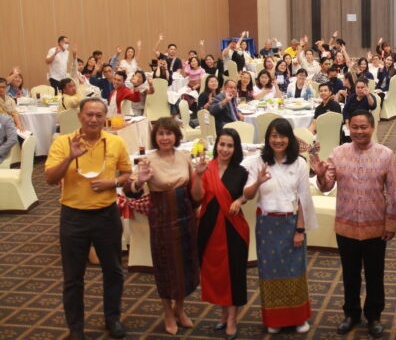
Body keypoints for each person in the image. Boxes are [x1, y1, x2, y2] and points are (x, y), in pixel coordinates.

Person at [44, 98, 131, 340]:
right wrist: (69, 158)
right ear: (80, 116)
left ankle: (112, 318)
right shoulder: (63, 143)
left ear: (105, 118)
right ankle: (76, 328)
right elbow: (50, 179)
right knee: (73, 277)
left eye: (98, 115)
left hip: (107, 215)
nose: (93, 119)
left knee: (113, 271)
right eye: (89, 114)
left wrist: (113, 182)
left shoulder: (115, 142)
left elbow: (127, 173)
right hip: (73, 216)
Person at [312, 110, 396, 338]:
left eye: (364, 127)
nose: (359, 131)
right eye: (355, 127)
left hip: (375, 225)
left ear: (372, 128)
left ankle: (374, 316)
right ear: (348, 128)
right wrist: (320, 175)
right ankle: (351, 314)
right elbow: (326, 186)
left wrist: (391, 223)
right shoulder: (338, 153)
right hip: (346, 224)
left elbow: (393, 192)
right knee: (350, 274)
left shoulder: (386, 154)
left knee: (375, 273)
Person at [241, 118, 317, 334]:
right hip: (266, 224)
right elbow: (248, 195)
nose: (278, 140)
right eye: (274, 136)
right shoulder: (257, 162)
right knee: (269, 273)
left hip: (291, 222)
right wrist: (258, 181)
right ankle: (274, 318)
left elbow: (303, 199)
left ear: (289, 139)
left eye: (282, 136)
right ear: (268, 138)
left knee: (295, 271)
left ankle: (298, 318)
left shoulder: (299, 163)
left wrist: (300, 230)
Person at [127, 118, 199, 335]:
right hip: (162, 218)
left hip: (185, 215)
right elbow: (131, 190)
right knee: (165, 266)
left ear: (176, 136)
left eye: (169, 133)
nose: (165, 138)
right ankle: (168, 312)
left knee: (185, 265)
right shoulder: (147, 160)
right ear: (155, 137)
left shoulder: (184, 156)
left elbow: (193, 189)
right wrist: (140, 181)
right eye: (160, 134)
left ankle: (180, 309)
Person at [190, 128, 250, 340]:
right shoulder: (207, 168)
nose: (225, 149)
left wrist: (239, 200)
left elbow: (246, 195)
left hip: (233, 228)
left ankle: (232, 319)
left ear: (236, 148)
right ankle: (224, 315)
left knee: (234, 274)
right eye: (222, 144)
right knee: (216, 274)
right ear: (216, 145)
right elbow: (197, 197)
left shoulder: (241, 172)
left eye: (230, 145)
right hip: (209, 228)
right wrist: (198, 175)